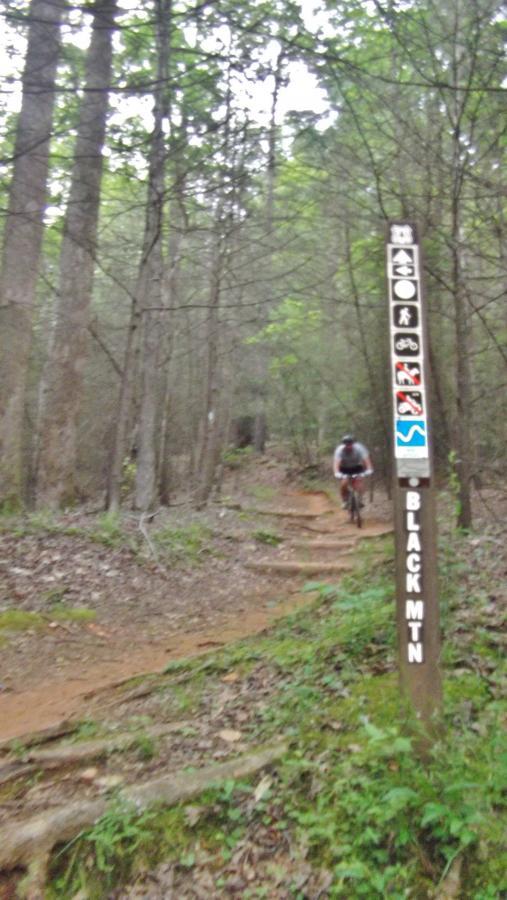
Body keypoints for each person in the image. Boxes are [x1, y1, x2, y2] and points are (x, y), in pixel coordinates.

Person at [333, 435, 373, 507]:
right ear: (343, 445)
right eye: (346, 445)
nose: (348, 446)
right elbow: (336, 464)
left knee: (359, 482)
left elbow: (367, 461)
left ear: (353, 444)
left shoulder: (360, 449)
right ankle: (345, 500)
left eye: (350, 444)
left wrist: (369, 470)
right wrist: (337, 473)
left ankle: (359, 499)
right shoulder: (339, 450)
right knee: (344, 483)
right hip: (344, 468)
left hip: (356, 467)